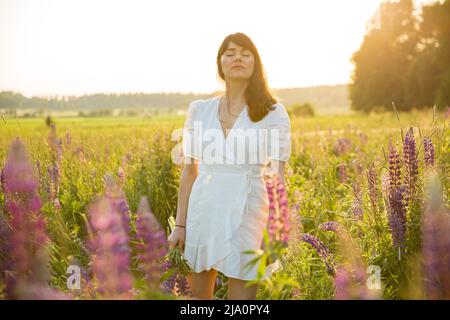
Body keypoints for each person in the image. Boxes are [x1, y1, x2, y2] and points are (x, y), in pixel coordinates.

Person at [168, 32, 291, 300]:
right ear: (220, 63)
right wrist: (180, 225)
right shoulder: (199, 110)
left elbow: (277, 178)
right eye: (230, 53)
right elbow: (190, 171)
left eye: (246, 53)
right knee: (199, 300)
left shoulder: (272, 112)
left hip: (250, 207)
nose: (238, 58)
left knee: (242, 301)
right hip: (205, 207)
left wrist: (275, 231)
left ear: (255, 63)